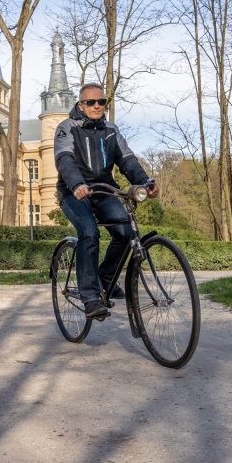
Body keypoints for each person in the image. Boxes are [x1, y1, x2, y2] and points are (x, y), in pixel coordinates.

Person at [54, 83, 158, 320]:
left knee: (125, 232)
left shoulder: (111, 129)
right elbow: (64, 160)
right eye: (91, 102)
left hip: (104, 190)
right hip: (73, 192)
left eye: (101, 102)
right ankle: (90, 296)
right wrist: (77, 184)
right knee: (90, 233)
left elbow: (128, 160)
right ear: (81, 104)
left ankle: (106, 278)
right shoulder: (66, 128)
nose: (97, 106)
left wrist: (145, 181)